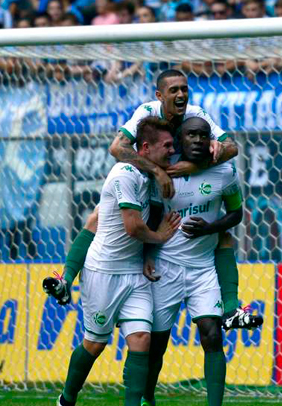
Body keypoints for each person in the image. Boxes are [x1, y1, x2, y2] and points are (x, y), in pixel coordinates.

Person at [44, 69, 262, 331]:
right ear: (160, 96)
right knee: (97, 217)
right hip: (148, 181)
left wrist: (196, 165)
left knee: (221, 233)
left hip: (182, 184)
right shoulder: (146, 111)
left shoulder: (196, 114)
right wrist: (157, 171)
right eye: (174, 91)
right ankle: (66, 280)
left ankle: (230, 308)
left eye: (184, 89)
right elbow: (117, 148)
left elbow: (232, 148)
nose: (181, 94)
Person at [54, 117, 181, 406]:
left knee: (141, 339)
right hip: (103, 272)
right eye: (167, 146)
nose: (172, 151)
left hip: (134, 274)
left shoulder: (152, 181)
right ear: (146, 148)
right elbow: (134, 227)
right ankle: (66, 400)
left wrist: (150, 255)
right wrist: (161, 237)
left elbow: (148, 224)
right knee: (94, 344)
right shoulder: (123, 175)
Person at [140, 117, 242, 406]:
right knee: (155, 344)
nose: (198, 140)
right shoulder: (164, 171)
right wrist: (147, 255)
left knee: (212, 334)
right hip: (166, 267)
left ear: (211, 140)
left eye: (203, 135)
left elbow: (236, 212)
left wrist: (211, 228)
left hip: (202, 269)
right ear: (180, 140)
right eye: (191, 135)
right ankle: (145, 401)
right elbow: (153, 214)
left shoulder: (225, 171)